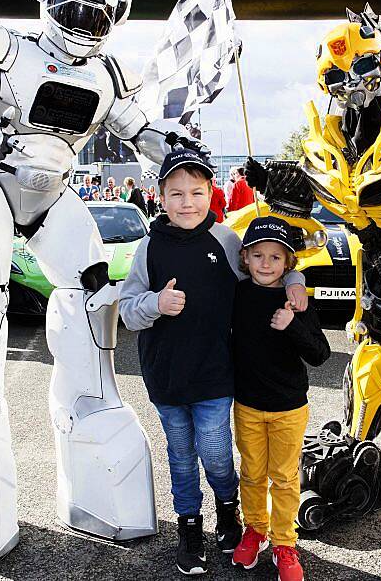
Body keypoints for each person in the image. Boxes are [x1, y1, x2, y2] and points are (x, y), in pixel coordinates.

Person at [119, 150, 308, 576]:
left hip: (215, 375)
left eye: (197, 193)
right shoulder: (148, 247)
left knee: (218, 453)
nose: (188, 202)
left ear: (211, 194)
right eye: (177, 193)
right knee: (181, 455)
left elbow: (268, 266)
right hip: (165, 376)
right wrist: (155, 303)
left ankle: (229, 513)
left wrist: (295, 281)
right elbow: (128, 310)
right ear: (161, 197)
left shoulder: (225, 240)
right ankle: (189, 527)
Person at [230, 217, 330, 581]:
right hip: (248, 406)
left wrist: (294, 326)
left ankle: (285, 543)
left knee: (285, 478)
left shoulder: (297, 300)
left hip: (289, 408)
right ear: (245, 258)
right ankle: (255, 530)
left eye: (276, 256)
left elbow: (320, 354)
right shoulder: (237, 294)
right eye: (258, 255)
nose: (266, 263)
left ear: (289, 262)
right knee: (253, 474)